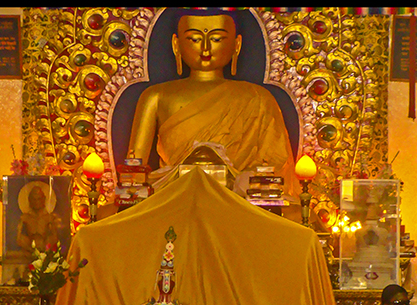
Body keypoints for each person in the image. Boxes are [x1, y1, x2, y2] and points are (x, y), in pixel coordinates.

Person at [127, 10, 298, 196]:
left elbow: (275, 166)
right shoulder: (155, 96)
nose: (206, 48)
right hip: (174, 198)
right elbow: (134, 170)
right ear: (176, 45)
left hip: (238, 202)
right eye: (194, 39)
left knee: (292, 214)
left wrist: (239, 179)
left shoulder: (258, 98)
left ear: (236, 45)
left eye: (217, 39)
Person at [16, 184, 61, 253]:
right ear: (29, 200)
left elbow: (54, 238)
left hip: (46, 251)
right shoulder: (24, 218)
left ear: (44, 199)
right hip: (27, 251)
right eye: (34, 199)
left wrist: (45, 248)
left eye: (39, 199)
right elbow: (18, 238)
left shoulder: (50, 218)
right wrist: (29, 248)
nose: (36, 202)